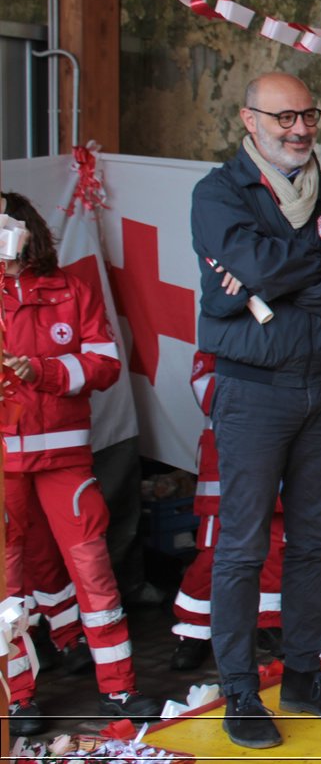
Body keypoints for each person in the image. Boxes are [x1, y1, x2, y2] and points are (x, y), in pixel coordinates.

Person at [191, 71, 321, 749]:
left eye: (308, 114)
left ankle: (303, 672)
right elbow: (262, 264)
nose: (300, 129)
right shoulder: (217, 194)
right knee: (241, 549)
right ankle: (240, 689)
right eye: (283, 118)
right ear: (249, 119)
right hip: (253, 391)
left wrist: (281, 276)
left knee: (313, 544)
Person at [1, 191, 161, 733]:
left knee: (92, 569)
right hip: (4, 463)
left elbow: (106, 363)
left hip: (64, 457)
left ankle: (119, 690)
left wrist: (42, 371)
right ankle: (16, 699)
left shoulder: (72, 289)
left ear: (25, 229)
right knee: (7, 583)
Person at [168, 350, 288, 672]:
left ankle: (270, 623)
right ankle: (194, 628)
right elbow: (207, 390)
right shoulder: (221, 326)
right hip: (225, 462)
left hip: (275, 457)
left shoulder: (290, 319)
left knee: (276, 546)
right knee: (214, 554)